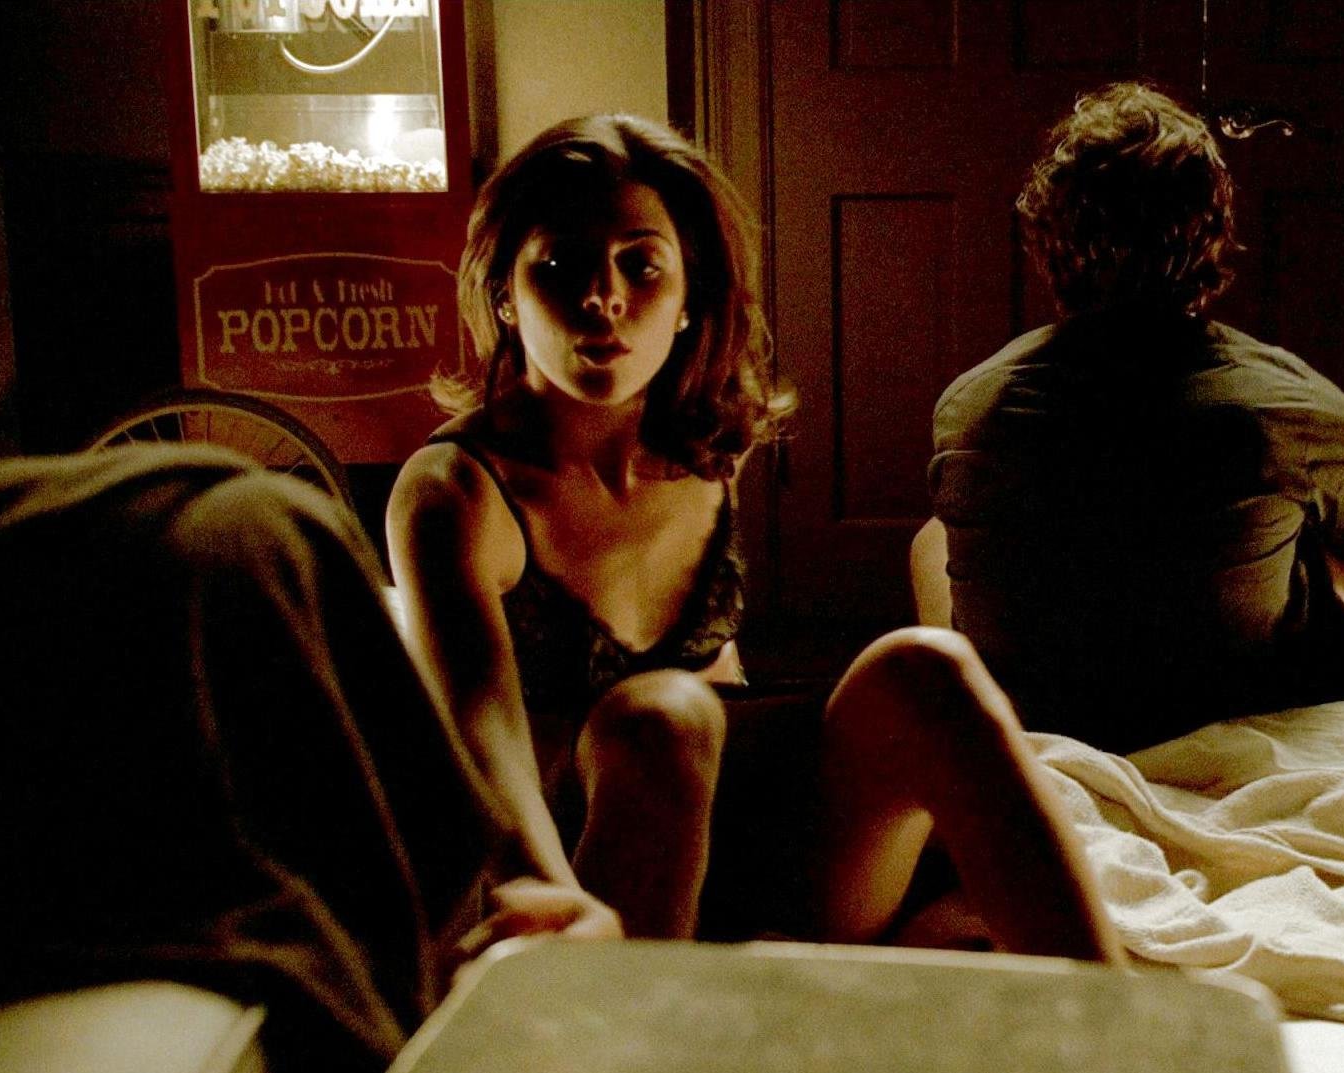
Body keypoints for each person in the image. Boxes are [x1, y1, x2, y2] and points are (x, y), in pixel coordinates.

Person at [387, 114, 1120, 961]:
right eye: (559, 266)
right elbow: (481, 743)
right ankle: (630, 1013)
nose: (603, 297)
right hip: (579, 877)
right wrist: (550, 902)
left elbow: (723, 677)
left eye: (641, 264)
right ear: (504, 295)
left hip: (747, 845)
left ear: (687, 298)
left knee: (928, 665)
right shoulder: (454, 492)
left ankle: (1123, 1013)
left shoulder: (704, 450)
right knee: (663, 718)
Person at [0, 445, 617, 1071]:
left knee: (244, 538)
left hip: (180, 551)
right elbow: (479, 712)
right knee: (231, 549)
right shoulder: (450, 487)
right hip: (111, 587)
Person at [916, 83, 1344, 755]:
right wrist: (1337, 599)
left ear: (1046, 240)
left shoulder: (971, 406)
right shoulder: (1293, 407)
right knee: (1333, 548)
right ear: (1214, 233)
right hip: (1234, 720)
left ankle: (980, 704)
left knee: (934, 538)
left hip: (1047, 722)